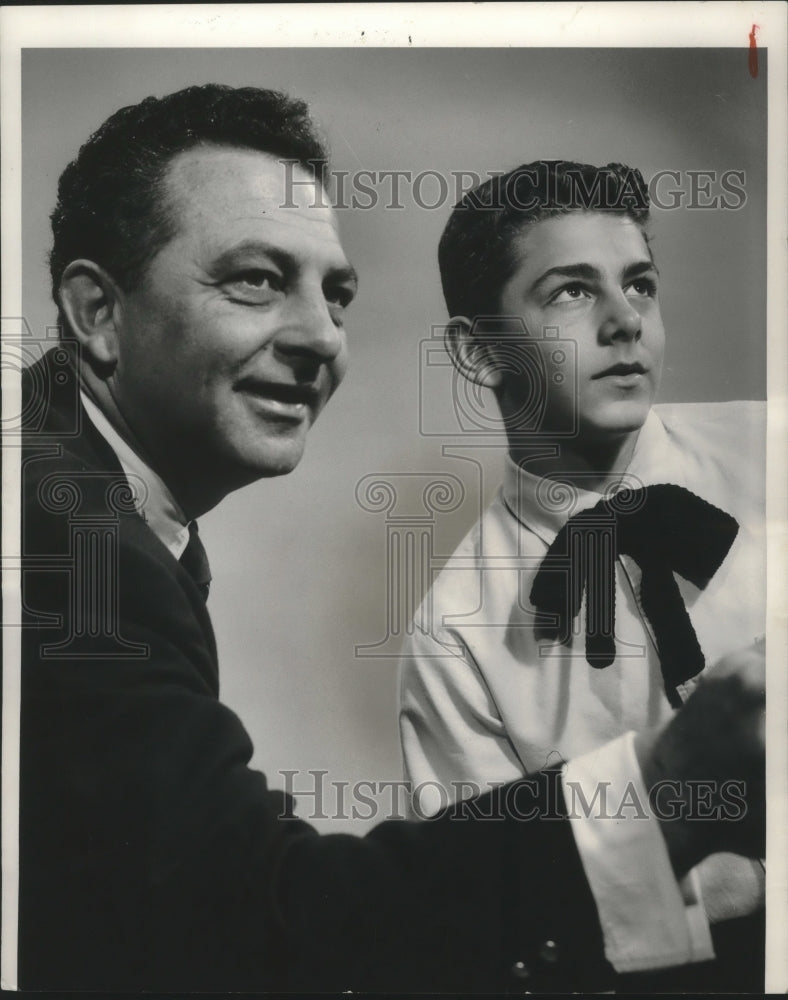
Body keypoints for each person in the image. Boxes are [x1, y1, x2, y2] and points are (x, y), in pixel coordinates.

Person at [17, 88, 764, 994]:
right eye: (256, 278)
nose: (319, 337)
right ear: (97, 313)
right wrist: (665, 792)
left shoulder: (97, 518)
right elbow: (262, 918)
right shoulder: (68, 551)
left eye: (336, 295)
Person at [398, 161, 766, 987]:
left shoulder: (772, 449)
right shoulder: (454, 632)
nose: (623, 321)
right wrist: (733, 887)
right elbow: (491, 924)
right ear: (478, 351)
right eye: (571, 292)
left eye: (639, 285)